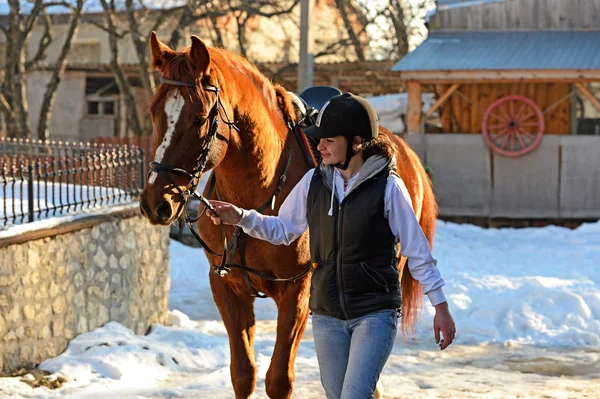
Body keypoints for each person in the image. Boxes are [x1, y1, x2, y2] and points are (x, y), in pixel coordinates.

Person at [206, 93, 456, 399]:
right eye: (319, 140)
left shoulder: (389, 187)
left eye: (329, 140)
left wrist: (440, 308)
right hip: (327, 317)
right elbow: (283, 229)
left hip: (374, 313)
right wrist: (241, 217)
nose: (319, 146)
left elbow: (418, 253)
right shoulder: (313, 181)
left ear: (355, 143)